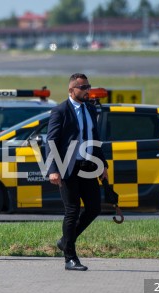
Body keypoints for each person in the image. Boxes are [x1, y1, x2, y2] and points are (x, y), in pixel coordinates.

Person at [45, 73, 108, 271]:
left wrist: (103, 164)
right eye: (83, 87)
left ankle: (66, 240)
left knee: (94, 208)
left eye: (88, 86)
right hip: (67, 168)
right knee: (72, 211)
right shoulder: (60, 110)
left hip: (88, 166)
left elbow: (95, 137)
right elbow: (51, 141)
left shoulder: (90, 109)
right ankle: (69, 258)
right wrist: (53, 169)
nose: (87, 90)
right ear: (71, 90)